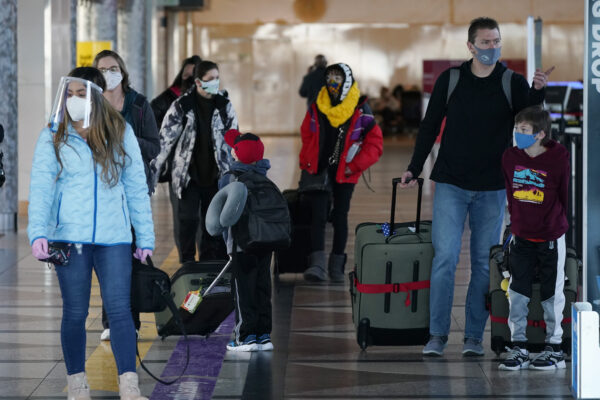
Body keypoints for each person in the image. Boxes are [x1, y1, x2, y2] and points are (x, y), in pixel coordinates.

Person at [399, 17, 554, 357]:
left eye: (496, 41)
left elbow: (530, 120)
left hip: (492, 187)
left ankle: (472, 337)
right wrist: (414, 168)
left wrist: (538, 91)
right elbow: (428, 127)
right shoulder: (451, 79)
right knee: (445, 259)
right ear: (470, 46)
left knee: (485, 264)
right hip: (451, 183)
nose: (492, 48)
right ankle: (437, 335)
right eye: (485, 43)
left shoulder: (510, 81)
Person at [28, 67, 154, 400]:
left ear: (96, 96)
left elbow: (136, 188)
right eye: (69, 94)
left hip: (114, 238)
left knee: (119, 310)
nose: (73, 100)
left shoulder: (119, 130)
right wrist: (37, 232)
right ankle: (77, 383)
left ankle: (129, 384)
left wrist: (145, 238)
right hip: (70, 237)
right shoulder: (53, 134)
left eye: (80, 94)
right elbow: (41, 187)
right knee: (74, 312)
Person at [93, 50, 160, 342]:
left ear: (122, 70)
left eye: (113, 68)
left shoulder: (140, 104)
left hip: (133, 191)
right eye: (103, 69)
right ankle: (112, 320)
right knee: (109, 257)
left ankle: (129, 320)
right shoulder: (90, 105)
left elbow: (154, 146)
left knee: (132, 256)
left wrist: (126, 140)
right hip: (102, 193)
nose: (109, 73)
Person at [498, 106, 569, 370]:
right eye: (517, 129)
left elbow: (564, 193)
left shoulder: (559, 156)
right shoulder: (510, 157)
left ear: (540, 134)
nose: (518, 134)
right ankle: (519, 345)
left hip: (550, 235)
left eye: (524, 131)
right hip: (522, 236)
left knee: (552, 294)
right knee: (517, 291)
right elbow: (510, 191)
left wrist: (554, 223)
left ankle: (555, 346)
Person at [300, 62, 383, 282]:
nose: (333, 83)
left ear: (347, 80)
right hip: (320, 169)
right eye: (330, 78)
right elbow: (307, 133)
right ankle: (317, 265)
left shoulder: (359, 107)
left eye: (338, 78)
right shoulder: (318, 105)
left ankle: (336, 266)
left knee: (339, 216)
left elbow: (375, 144)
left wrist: (354, 165)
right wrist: (307, 160)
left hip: (345, 172)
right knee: (317, 216)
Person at [151, 60, 237, 263]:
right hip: (187, 176)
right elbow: (164, 141)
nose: (215, 83)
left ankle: (208, 262)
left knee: (211, 223)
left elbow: (234, 138)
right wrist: (152, 174)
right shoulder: (182, 106)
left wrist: (236, 170)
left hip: (216, 174)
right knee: (187, 220)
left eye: (217, 78)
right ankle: (187, 261)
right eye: (210, 79)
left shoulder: (225, 106)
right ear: (198, 82)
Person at [218, 129, 275, 351]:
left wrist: (227, 244)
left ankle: (245, 336)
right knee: (262, 287)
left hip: (241, 244)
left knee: (243, 289)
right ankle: (263, 335)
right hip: (264, 242)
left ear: (236, 153)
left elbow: (221, 215)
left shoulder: (229, 178)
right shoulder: (264, 176)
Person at [151, 55, 202, 129]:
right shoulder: (164, 100)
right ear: (181, 76)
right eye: (186, 75)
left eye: (194, 76)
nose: (190, 79)